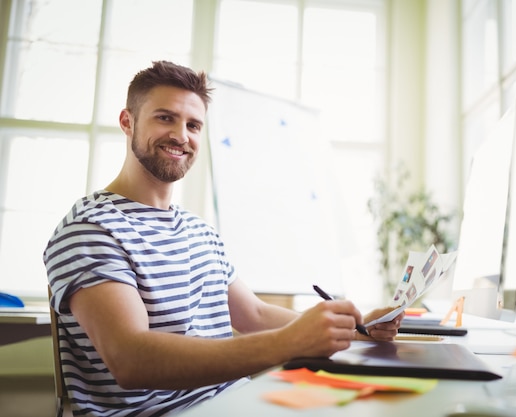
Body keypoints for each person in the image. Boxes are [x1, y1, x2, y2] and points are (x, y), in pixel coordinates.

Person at [43, 60, 403, 417]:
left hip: (237, 402)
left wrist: (356, 329)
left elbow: (255, 314)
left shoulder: (199, 230)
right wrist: (288, 343)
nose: (181, 136)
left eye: (193, 125)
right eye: (165, 117)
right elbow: (131, 360)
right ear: (128, 121)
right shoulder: (90, 229)